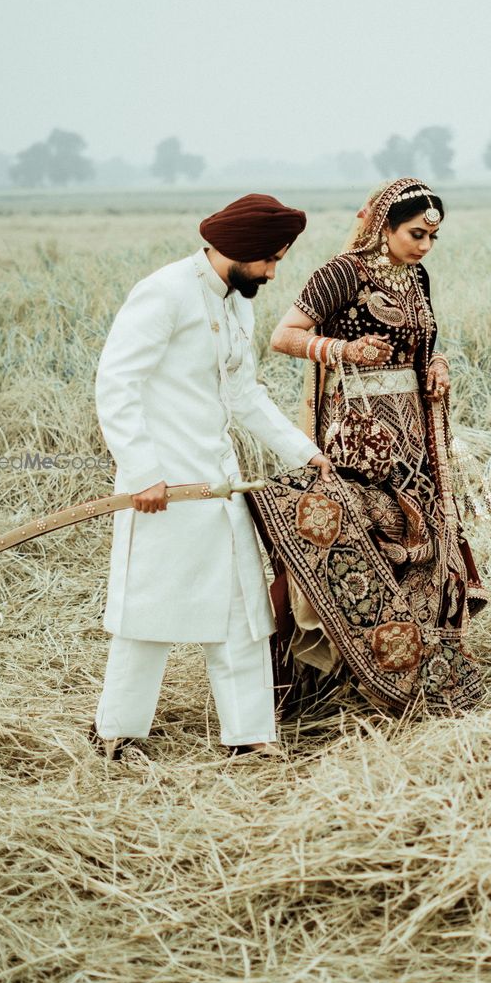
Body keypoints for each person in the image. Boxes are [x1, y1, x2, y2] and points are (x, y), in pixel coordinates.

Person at [91, 193, 331, 761]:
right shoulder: (166, 292)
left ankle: (250, 739)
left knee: (242, 614)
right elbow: (116, 384)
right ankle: (115, 735)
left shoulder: (237, 303)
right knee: (147, 614)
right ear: (240, 251)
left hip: (221, 487)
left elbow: (244, 396)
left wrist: (304, 453)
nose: (273, 272)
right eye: (269, 260)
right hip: (164, 491)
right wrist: (144, 473)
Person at [249, 177, 486, 713]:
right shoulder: (341, 273)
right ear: (383, 226)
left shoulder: (417, 278)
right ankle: (315, 681)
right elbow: (283, 336)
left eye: (433, 238)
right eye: (414, 234)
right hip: (356, 432)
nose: (424, 247)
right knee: (361, 529)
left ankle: (417, 670)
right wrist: (344, 350)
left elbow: (425, 344)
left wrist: (439, 366)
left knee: (421, 534)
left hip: (413, 432)